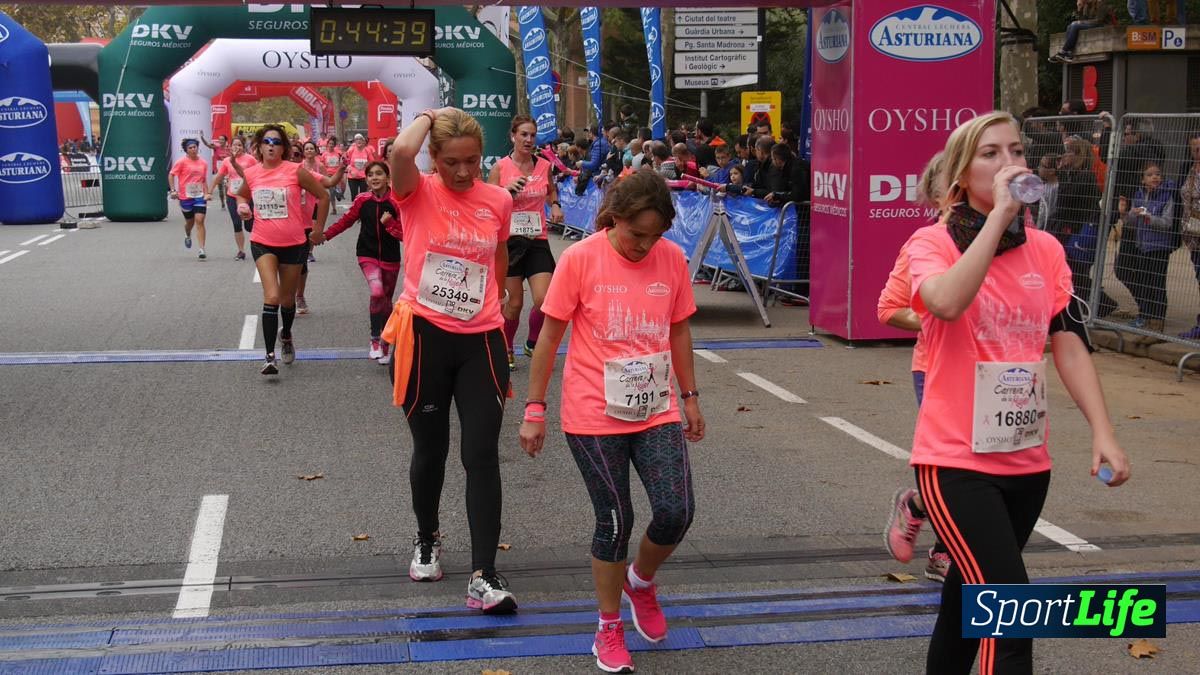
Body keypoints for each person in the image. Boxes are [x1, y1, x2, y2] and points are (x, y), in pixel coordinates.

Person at [884, 111, 1130, 674]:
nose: (1009, 163)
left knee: (966, 604)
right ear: (960, 172)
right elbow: (944, 302)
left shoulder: (1045, 249)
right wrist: (997, 217)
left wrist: (1104, 432)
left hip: (1025, 459)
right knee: (1011, 618)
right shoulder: (933, 241)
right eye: (990, 153)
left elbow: (1066, 338)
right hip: (954, 462)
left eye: (1016, 151)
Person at [519, 168, 704, 675]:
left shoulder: (671, 259)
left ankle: (640, 581)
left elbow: (680, 331)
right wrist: (534, 409)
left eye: (655, 235)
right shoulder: (580, 259)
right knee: (616, 520)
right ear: (614, 218)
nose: (645, 245)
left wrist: (689, 398)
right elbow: (549, 339)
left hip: (656, 406)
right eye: (635, 233)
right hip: (592, 412)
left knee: (676, 511)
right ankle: (607, 626)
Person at [381, 106, 517, 614]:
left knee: (481, 455)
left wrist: (500, 292)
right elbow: (398, 151)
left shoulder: (497, 198)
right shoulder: (416, 191)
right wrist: (429, 114)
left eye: (473, 162)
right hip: (423, 337)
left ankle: (484, 574)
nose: (464, 173)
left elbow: (500, 251)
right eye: (452, 162)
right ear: (433, 157)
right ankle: (427, 536)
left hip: (481, 340)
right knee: (430, 451)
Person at [877, 151, 953, 583]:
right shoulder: (927, 242)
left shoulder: (1018, 238)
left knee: (985, 468)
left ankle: (919, 506)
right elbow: (888, 308)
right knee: (952, 468)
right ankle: (944, 551)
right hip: (937, 367)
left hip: (1001, 377)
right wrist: (939, 317)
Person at [232, 124, 331, 375]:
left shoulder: (295, 171)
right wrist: (243, 207)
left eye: (276, 142)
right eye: (267, 141)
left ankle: (286, 335)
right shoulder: (252, 173)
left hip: (295, 244)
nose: (271, 145)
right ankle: (268, 356)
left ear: (284, 147)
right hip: (263, 242)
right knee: (272, 297)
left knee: (287, 300)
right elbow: (241, 195)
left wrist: (318, 230)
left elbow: (323, 196)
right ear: (259, 146)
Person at [488, 115, 564, 371]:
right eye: (524, 135)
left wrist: (554, 205)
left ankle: (532, 343)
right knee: (514, 304)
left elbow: (551, 190)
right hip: (509, 243)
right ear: (513, 136)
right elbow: (486, 202)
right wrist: (504, 191)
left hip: (537, 239)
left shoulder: (544, 166)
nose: (529, 140)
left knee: (545, 301)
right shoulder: (500, 167)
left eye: (532, 135)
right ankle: (507, 346)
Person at [312, 160, 402, 363]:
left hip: (390, 258)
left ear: (387, 178)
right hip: (367, 254)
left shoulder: (397, 201)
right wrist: (325, 236)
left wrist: (390, 224)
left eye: (379, 174)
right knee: (377, 291)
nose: (374, 178)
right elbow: (346, 222)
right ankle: (374, 340)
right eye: (370, 175)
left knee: (386, 301)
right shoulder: (362, 200)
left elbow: (405, 234)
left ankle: (386, 343)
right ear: (366, 179)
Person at [1114, 161, 1178, 333]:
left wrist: (1148, 217)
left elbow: (1167, 222)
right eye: (1149, 175)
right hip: (1142, 246)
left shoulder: (1167, 196)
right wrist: (1125, 214)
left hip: (1159, 246)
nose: (1154, 177)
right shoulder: (1139, 194)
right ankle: (1146, 316)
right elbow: (1132, 223)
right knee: (1144, 281)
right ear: (1143, 180)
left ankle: (1157, 322)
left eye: (1157, 174)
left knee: (1157, 284)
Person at [295, 141, 347, 313]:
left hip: (304, 223)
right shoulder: (274, 174)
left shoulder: (306, 174)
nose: (293, 157)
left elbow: (330, 182)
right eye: (291, 154)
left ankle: (299, 296)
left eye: (296, 154)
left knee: (300, 264)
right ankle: (283, 295)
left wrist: (341, 168)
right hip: (282, 226)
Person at [208, 136, 258, 260]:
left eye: (240, 145)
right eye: (235, 145)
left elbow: (257, 175)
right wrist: (209, 191)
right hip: (232, 196)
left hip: (247, 196)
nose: (237, 148)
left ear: (243, 147)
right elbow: (219, 176)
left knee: (249, 225)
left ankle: (258, 245)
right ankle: (241, 251)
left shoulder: (250, 159)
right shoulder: (227, 161)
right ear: (231, 147)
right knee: (236, 224)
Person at [168, 138, 212, 261]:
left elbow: (203, 180)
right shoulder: (181, 162)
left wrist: (207, 193)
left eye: (195, 147)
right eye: (190, 148)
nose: (193, 149)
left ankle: (201, 249)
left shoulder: (203, 163)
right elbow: (171, 175)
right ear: (186, 150)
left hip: (199, 196)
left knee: (200, 220)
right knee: (190, 223)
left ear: (198, 148)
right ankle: (188, 233)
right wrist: (173, 190)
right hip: (185, 197)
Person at [1178, 132, 1200, 340]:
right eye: (1193, 148)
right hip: (1193, 235)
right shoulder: (1189, 168)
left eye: (1199, 148)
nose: (1196, 152)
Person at [345, 133, 377, 199]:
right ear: (355, 142)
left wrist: (368, 165)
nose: (358, 141)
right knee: (354, 196)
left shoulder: (367, 150)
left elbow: (372, 162)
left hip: (363, 177)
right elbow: (345, 160)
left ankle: (362, 209)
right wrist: (349, 168)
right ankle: (355, 209)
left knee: (363, 197)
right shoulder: (351, 150)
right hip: (352, 177)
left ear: (363, 141)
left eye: (360, 139)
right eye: (357, 139)